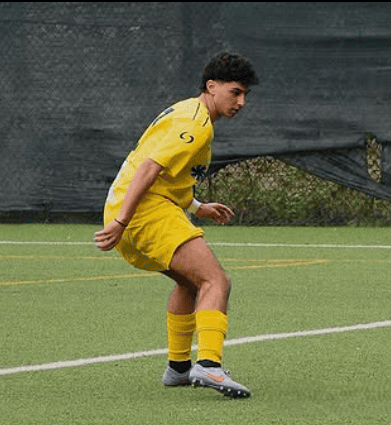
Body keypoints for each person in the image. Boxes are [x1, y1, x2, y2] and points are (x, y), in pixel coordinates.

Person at [94, 52, 259, 399]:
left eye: (245, 94)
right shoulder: (196, 124)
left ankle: (179, 368)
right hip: (142, 210)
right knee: (215, 280)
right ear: (211, 86)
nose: (241, 102)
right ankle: (209, 365)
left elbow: (168, 175)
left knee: (190, 282)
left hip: (135, 207)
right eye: (235, 92)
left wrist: (197, 206)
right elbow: (149, 169)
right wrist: (123, 220)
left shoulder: (187, 111)